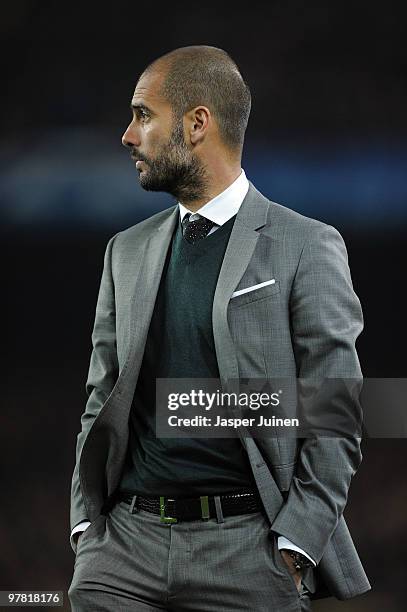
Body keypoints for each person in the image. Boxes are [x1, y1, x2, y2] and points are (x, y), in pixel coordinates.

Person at [68, 45, 371, 611]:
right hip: (123, 554)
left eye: (142, 114)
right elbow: (100, 397)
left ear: (197, 123)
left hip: (249, 553)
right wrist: (86, 527)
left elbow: (335, 409)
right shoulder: (125, 251)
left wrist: (296, 544)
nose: (128, 136)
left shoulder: (306, 246)